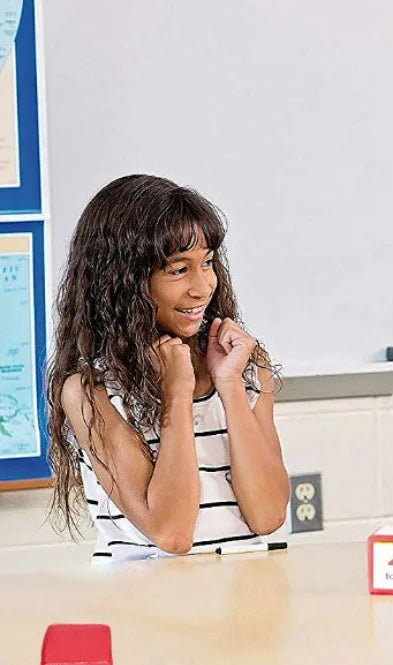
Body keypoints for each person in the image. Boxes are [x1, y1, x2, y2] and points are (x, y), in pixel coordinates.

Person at [47, 174, 290, 560]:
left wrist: (228, 386)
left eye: (207, 263)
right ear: (123, 280)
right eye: (178, 270)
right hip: (146, 607)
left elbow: (268, 515)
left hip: (246, 596)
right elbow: (171, 533)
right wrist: (177, 392)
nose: (202, 287)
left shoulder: (243, 365)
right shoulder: (90, 391)